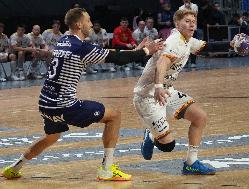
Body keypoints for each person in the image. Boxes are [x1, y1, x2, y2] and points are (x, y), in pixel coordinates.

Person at [2, 8, 163, 181]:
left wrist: (134, 51)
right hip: (64, 105)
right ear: (79, 24)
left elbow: (115, 55)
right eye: (88, 20)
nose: (91, 24)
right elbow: (117, 59)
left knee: (52, 137)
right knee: (114, 116)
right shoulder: (81, 47)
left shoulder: (63, 40)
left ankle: (15, 167)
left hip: (45, 103)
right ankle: (107, 169)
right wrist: (147, 51)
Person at [133, 9, 216, 175]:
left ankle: (191, 163)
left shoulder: (188, 40)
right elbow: (161, 64)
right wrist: (158, 87)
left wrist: (231, 45)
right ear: (177, 24)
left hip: (166, 90)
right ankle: (150, 135)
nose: (192, 24)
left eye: (193, 21)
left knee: (200, 117)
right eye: (187, 20)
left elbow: (206, 47)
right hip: (148, 95)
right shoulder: (174, 41)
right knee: (167, 146)